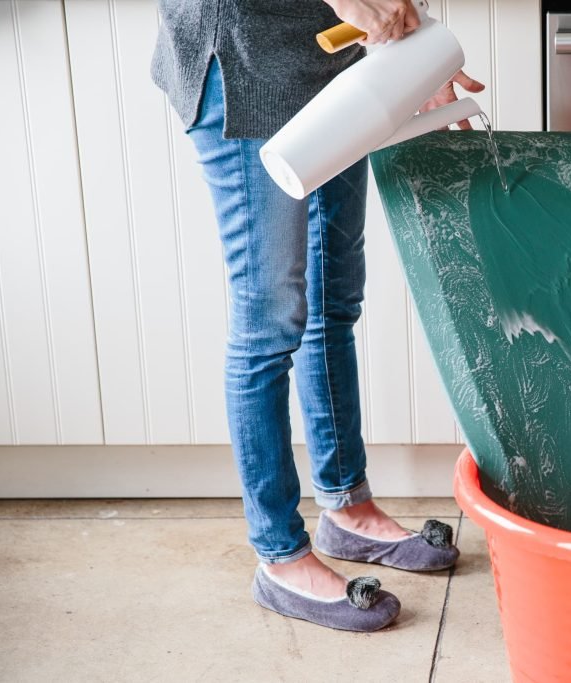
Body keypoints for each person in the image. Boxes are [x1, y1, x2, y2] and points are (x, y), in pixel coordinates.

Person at [150, 0, 483, 632]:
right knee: (269, 321)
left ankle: (347, 509)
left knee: (333, 299)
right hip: (243, 68)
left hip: (336, 63)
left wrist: (412, 58)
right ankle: (279, 557)